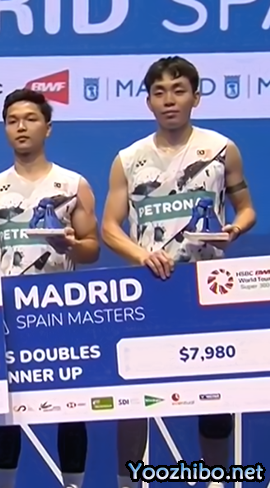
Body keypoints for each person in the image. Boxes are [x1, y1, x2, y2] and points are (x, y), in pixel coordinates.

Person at [101, 56, 256, 488]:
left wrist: (234, 230)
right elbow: (109, 227)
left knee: (214, 395)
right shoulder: (128, 159)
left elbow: (246, 210)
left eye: (179, 90)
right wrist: (141, 256)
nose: (169, 100)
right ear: (148, 102)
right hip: (149, 289)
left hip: (207, 290)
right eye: (159, 92)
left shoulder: (221, 149)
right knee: (134, 397)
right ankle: (129, 482)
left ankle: (216, 481)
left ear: (196, 97)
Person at [0, 88, 100, 488]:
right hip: (8, 314)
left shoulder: (73, 184)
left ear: (48, 127)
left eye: (30, 119)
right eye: (12, 121)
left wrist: (71, 246)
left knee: (71, 405)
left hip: (61, 312)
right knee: (7, 409)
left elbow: (93, 248)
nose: (21, 127)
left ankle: (73, 483)